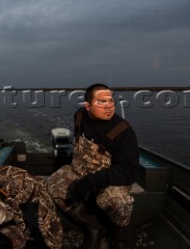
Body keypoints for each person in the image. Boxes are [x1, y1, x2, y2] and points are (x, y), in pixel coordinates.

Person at [47, 83, 140, 249]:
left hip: (108, 180)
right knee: (53, 183)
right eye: (101, 102)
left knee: (118, 202)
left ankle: (122, 237)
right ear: (87, 106)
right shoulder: (79, 116)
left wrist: (91, 181)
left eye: (110, 101)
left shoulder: (123, 131)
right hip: (79, 172)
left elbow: (129, 171)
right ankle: (93, 227)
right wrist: (79, 177)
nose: (108, 107)